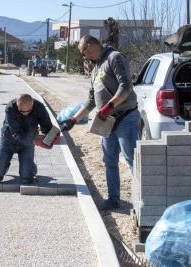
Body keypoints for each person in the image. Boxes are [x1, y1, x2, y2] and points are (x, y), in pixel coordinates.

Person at [59, 35, 140, 210]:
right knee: (109, 161)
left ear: (90, 46)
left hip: (126, 117)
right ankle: (113, 199)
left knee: (132, 159)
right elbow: (90, 101)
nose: (84, 57)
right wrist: (73, 119)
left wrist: (109, 106)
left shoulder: (115, 58)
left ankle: (143, 202)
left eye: (83, 53)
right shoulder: (96, 70)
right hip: (107, 122)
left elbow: (125, 87)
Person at [0, 94, 60, 185]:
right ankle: (3, 166)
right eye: (22, 111)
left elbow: (47, 126)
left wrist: (52, 136)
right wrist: (35, 141)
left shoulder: (39, 107)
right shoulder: (10, 108)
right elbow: (16, 133)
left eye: (28, 111)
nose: (25, 113)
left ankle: (29, 166)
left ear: (32, 105)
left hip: (27, 145)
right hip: (8, 141)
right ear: (17, 105)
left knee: (26, 180)